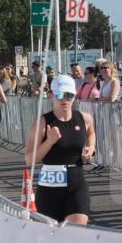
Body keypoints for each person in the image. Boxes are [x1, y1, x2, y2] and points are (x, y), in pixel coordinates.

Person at [24, 74, 95, 224]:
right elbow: (30, 160)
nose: (65, 99)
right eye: (60, 95)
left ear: (74, 96)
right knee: (50, 239)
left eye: (69, 95)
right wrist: (49, 141)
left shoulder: (84, 118)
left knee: (77, 233)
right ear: (51, 96)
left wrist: (91, 148)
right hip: (49, 189)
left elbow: (91, 132)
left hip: (76, 185)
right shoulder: (42, 123)